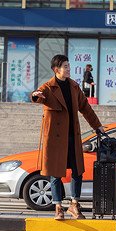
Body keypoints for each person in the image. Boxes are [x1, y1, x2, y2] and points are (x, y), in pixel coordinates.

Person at [31, 54, 104, 220]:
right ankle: (58, 207)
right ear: (57, 70)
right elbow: (36, 95)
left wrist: (97, 126)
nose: (69, 69)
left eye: (69, 66)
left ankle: (74, 204)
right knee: (56, 174)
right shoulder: (48, 87)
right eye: (66, 67)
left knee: (77, 171)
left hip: (73, 136)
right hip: (56, 139)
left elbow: (86, 108)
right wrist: (36, 95)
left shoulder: (74, 86)